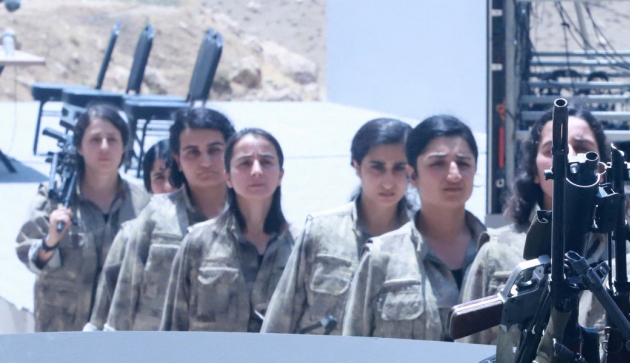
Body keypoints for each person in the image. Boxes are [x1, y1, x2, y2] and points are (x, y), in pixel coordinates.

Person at [459, 107, 609, 345]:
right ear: (535, 172)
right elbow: (468, 347)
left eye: (583, 149)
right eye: (553, 150)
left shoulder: (625, 254)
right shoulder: (494, 253)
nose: (569, 157)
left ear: (601, 169)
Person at [262, 118, 413, 335]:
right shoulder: (320, 232)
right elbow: (279, 319)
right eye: (377, 168)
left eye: (399, 168)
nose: (388, 182)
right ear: (357, 166)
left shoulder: (421, 241)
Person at [343, 115, 487, 341]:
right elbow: (352, 348)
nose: (454, 175)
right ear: (412, 175)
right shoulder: (381, 257)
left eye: (463, 163)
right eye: (437, 163)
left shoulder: (500, 256)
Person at [15, 104, 151, 332]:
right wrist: (50, 241)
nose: (104, 147)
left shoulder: (143, 203)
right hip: (61, 328)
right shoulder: (54, 198)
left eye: (112, 139)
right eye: (95, 139)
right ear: (79, 146)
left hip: (117, 330)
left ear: (124, 147)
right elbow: (27, 252)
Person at [105, 107, 235, 331]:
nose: (205, 162)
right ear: (178, 160)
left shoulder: (248, 216)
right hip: (156, 347)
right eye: (192, 152)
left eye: (215, 150)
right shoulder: (156, 215)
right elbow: (125, 294)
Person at [161, 128, 293, 332]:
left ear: (280, 175)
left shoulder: (300, 247)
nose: (256, 171)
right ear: (228, 177)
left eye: (266, 162)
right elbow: (173, 326)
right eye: (245, 163)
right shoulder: (199, 242)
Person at [86, 139, 178, 330]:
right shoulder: (131, 235)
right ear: (148, 185)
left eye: (175, 178)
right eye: (159, 178)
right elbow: (104, 307)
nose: (169, 187)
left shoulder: (203, 234)